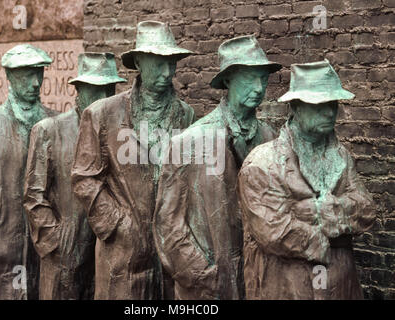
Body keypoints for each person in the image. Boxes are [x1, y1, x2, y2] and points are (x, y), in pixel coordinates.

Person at [71, 21, 195, 299]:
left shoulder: (185, 115)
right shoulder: (102, 114)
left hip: (170, 252)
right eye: (158, 63)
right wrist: (118, 224)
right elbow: (84, 178)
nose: (167, 72)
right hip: (121, 256)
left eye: (172, 63)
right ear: (138, 61)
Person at [153, 35, 281, 299]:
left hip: (258, 279)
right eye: (249, 78)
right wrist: (200, 274)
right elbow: (168, 223)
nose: (258, 88)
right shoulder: (189, 141)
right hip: (206, 287)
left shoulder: (270, 139)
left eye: (263, 78)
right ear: (227, 80)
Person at [237, 59, 376, 299]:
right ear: (296, 107)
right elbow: (273, 232)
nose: (329, 111)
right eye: (319, 104)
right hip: (286, 285)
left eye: (333, 103)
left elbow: (366, 210)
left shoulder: (341, 156)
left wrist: (333, 210)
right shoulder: (263, 163)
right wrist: (327, 233)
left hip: (340, 285)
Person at [23, 53, 126, 300]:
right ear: (79, 90)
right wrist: (56, 243)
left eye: (108, 90)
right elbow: (33, 197)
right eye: (95, 90)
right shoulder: (49, 130)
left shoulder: (119, 134)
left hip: (106, 253)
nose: (103, 99)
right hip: (65, 252)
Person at [0, 44, 58, 299]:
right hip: (1, 245)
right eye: (27, 74)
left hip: (44, 245)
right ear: (9, 75)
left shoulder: (55, 123)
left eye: (39, 73)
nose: (36, 82)